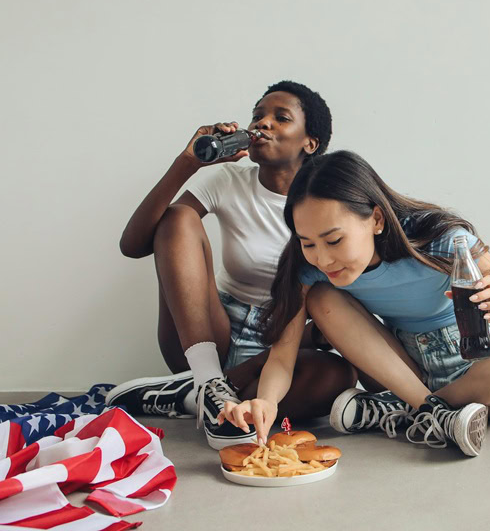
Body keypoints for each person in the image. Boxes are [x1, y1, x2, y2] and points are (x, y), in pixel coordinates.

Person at [219, 150, 490, 456]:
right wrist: (264, 402)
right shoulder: (308, 271)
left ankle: (413, 411)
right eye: (308, 243)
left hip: (486, 375)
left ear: (376, 220)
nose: (323, 258)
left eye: (334, 240)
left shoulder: (442, 240)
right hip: (401, 373)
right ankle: (425, 410)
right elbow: (282, 356)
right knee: (324, 297)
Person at [106, 82, 356, 449]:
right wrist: (188, 162)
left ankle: (191, 397)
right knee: (177, 218)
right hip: (205, 333)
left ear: (310, 143)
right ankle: (207, 383)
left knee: (337, 376)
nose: (263, 124)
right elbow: (133, 245)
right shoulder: (228, 182)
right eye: (259, 115)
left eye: (280, 118)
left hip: (282, 341)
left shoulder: (328, 201)